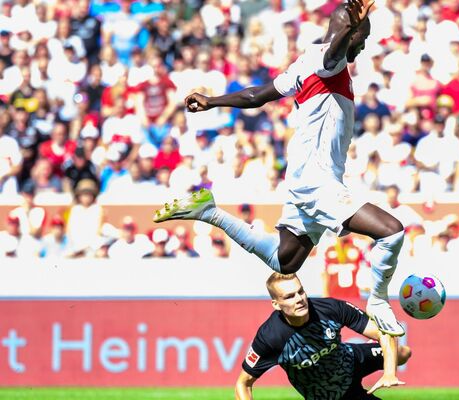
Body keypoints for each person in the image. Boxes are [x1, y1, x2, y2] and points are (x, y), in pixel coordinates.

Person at [152, 0, 406, 337]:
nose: (362, 45)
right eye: (362, 37)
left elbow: (256, 95)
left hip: (305, 179)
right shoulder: (327, 61)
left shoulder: (303, 65)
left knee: (285, 262)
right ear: (351, 31)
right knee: (392, 231)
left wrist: (213, 101)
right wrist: (347, 29)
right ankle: (378, 301)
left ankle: (210, 213)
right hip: (316, 183)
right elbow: (333, 53)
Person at [234, 273, 410, 400]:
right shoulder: (270, 337)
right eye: (289, 297)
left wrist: (389, 373)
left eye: (300, 292)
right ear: (276, 304)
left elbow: (383, 332)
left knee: (403, 353)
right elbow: (243, 384)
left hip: (350, 358)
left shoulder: (330, 308)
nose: (299, 299)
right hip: (330, 393)